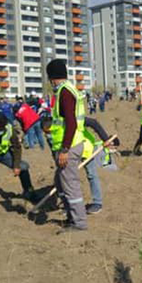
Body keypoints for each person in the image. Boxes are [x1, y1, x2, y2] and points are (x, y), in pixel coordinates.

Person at [46, 58, 89, 232]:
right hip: (69, 144)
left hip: (70, 146)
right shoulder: (67, 90)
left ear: (53, 78)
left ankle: (78, 223)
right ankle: (71, 216)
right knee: (60, 181)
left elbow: (71, 123)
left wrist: (64, 150)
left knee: (70, 184)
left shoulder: (65, 92)